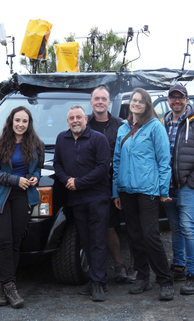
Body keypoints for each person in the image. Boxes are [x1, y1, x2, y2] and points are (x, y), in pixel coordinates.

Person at [112, 88, 174, 301]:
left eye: (141, 101)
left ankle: (165, 280)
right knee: (134, 235)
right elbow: (117, 161)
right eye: (134, 101)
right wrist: (115, 191)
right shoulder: (123, 128)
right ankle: (142, 277)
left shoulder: (155, 127)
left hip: (148, 189)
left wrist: (163, 190)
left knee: (150, 236)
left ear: (147, 105)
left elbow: (164, 161)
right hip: (126, 190)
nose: (136, 104)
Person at [0, 106, 44, 309]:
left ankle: (4, 284)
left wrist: (35, 177)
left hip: (22, 197)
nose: (20, 124)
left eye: (24, 121)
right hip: (0, 197)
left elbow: (37, 168)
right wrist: (14, 180)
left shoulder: (36, 145)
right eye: (17, 120)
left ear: (29, 124)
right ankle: (10, 285)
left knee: (16, 242)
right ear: (11, 122)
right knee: (3, 241)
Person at [54, 105, 111, 302]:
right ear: (67, 121)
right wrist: (67, 180)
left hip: (97, 198)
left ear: (86, 119)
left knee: (97, 241)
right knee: (86, 241)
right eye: (71, 118)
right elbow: (57, 165)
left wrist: (79, 183)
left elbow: (103, 167)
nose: (75, 120)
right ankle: (96, 279)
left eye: (79, 117)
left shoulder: (98, 139)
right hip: (77, 200)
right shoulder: (62, 138)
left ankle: (98, 284)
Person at [162, 84, 194, 295]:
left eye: (180, 97)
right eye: (173, 97)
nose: (176, 101)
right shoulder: (162, 123)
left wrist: (192, 182)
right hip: (168, 187)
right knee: (175, 228)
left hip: (187, 188)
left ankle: (193, 275)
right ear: (168, 100)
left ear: (186, 100)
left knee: (188, 229)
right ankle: (178, 267)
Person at [86, 85, 136, 284]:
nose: (100, 102)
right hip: (98, 185)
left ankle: (135, 265)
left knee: (133, 224)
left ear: (109, 102)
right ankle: (119, 264)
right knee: (108, 225)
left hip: (123, 182)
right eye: (96, 98)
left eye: (103, 98)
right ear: (91, 102)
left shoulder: (122, 125)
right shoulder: (84, 124)